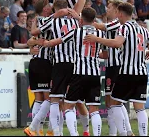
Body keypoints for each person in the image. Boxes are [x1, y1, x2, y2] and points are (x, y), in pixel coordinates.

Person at [84, 2, 149, 136]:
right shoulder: (142, 29)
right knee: (140, 108)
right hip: (142, 72)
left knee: (114, 103)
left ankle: (125, 133)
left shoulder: (124, 28)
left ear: (120, 13)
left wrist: (97, 39)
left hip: (126, 72)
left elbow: (117, 43)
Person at [42, 7, 104, 136]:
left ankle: (74, 134)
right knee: (94, 110)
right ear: (94, 19)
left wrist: (45, 43)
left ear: (81, 19)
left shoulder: (76, 32)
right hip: (95, 74)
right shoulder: (100, 34)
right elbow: (106, 54)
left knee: (68, 107)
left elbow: (58, 41)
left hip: (79, 74)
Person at [29, 0, 80, 136]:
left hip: (56, 63)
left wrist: (33, 42)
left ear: (55, 9)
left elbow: (33, 33)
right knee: (62, 100)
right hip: (73, 63)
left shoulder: (51, 21)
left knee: (51, 98)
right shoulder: (76, 22)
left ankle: (45, 130)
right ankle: (48, 130)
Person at [93, 0, 134, 136]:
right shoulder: (110, 28)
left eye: (109, 7)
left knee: (113, 102)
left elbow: (100, 27)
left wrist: (81, 19)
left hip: (117, 66)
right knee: (113, 102)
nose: (107, 9)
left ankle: (123, 132)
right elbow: (105, 54)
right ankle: (126, 132)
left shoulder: (117, 23)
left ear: (117, 11)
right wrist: (91, 54)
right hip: (111, 67)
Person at [24, 0, 54, 136]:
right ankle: (34, 127)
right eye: (48, 6)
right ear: (45, 8)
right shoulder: (48, 21)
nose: (51, 7)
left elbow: (31, 38)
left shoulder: (37, 20)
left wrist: (32, 44)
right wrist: (34, 43)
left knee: (39, 98)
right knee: (50, 98)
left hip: (35, 62)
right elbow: (33, 38)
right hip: (44, 62)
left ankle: (37, 130)